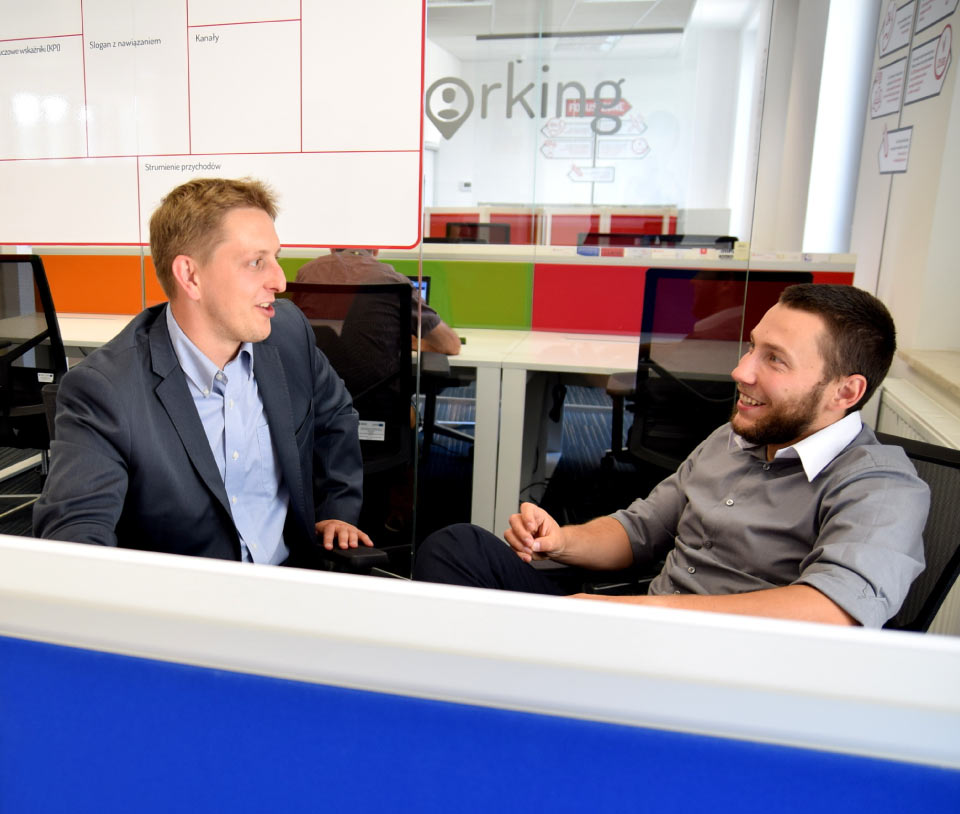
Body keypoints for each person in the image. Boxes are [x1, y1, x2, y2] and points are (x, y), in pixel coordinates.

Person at [414, 284, 929, 628]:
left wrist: (638, 615)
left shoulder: (881, 488)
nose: (742, 372)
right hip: (642, 633)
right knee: (455, 546)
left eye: (775, 360)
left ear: (846, 391)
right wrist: (561, 540)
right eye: (751, 348)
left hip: (726, 672)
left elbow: (831, 608)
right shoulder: (731, 441)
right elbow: (639, 531)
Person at [34, 177, 373, 565]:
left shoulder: (288, 333)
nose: (279, 281)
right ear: (190, 276)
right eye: (256, 262)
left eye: (275, 258)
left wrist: (336, 509)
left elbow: (336, 418)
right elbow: (75, 538)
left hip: (292, 584)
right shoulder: (105, 389)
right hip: (187, 610)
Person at [293, 248, 461, 356]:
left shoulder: (306, 273)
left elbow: (293, 332)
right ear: (376, 249)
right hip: (379, 405)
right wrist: (409, 342)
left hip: (320, 402)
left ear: (331, 247)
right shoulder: (392, 280)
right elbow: (450, 345)